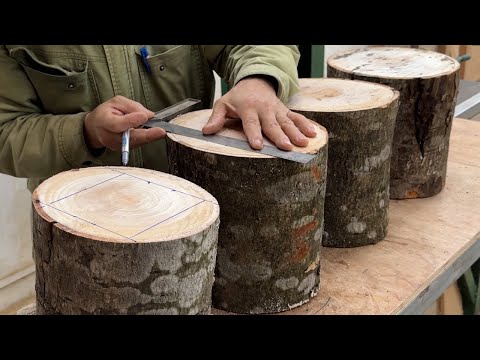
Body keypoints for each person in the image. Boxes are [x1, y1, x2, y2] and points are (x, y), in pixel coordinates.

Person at [0, 45, 317, 192]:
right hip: (79, 220)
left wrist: (258, 81)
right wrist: (85, 132)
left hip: (197, 199)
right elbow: (6, 133)